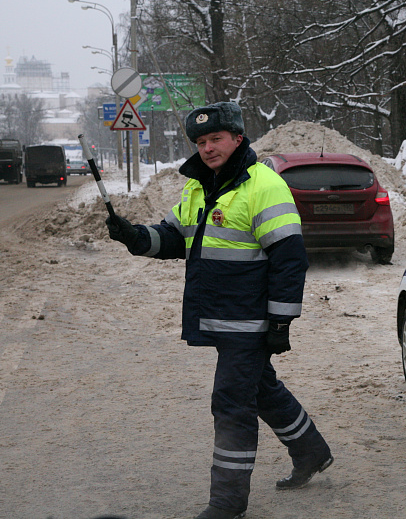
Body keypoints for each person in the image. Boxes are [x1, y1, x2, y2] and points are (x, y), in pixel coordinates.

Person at [105, 101, 333, 519]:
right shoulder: (199, 185)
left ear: (237, 139)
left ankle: (227, 504)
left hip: (250, 320)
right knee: (259, 389)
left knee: (230, 403)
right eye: (201, 141)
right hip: (219, 314)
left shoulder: (263, 185)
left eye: (216, 139)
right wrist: (135, 237)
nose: (208, 148)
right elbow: (177, 236)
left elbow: (289, 259)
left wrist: (281, 321)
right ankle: (311, 451)